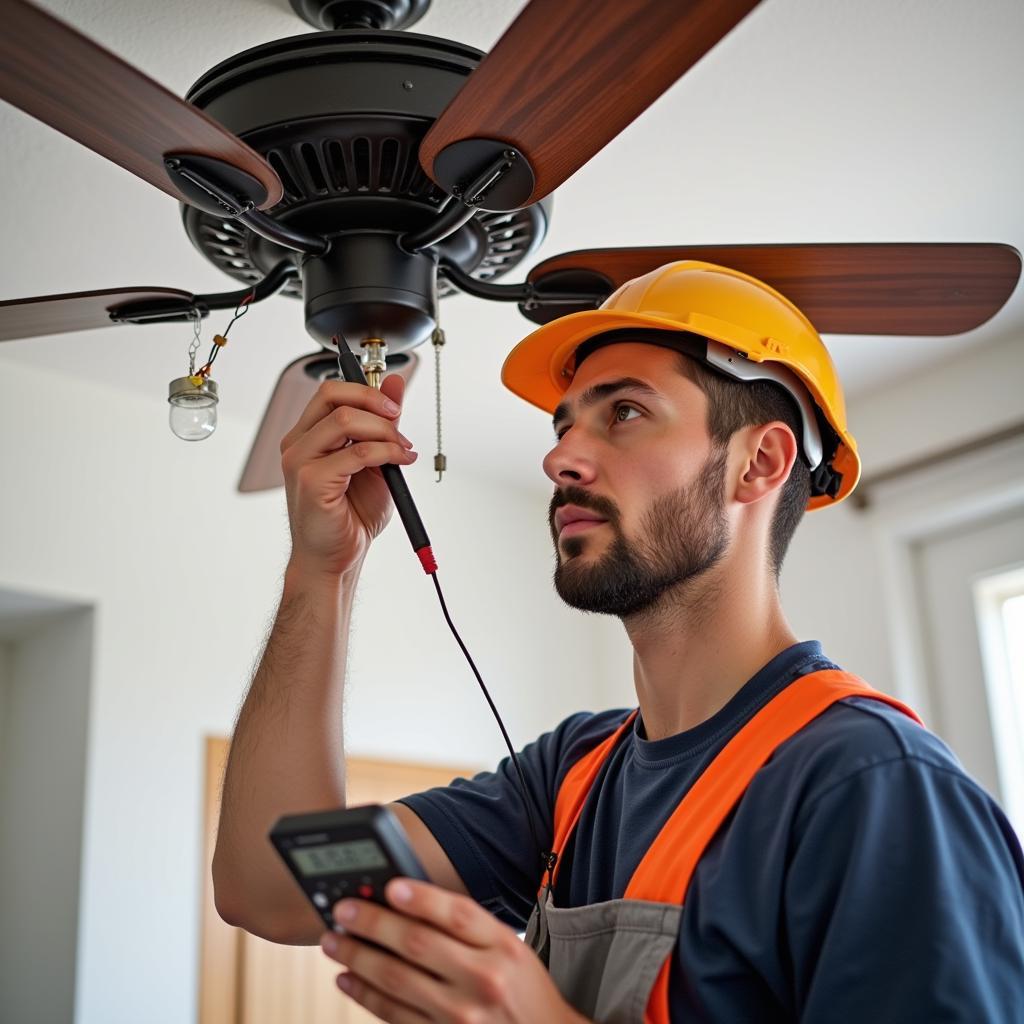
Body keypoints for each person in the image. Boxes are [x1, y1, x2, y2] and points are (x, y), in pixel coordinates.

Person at [213, 261, 1024, 1023]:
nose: (560, 456)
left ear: (758, 463)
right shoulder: (573, 775)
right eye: (565, 426)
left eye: (624, 414)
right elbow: (266, 886)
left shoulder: (872, 785)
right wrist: (325, 570)